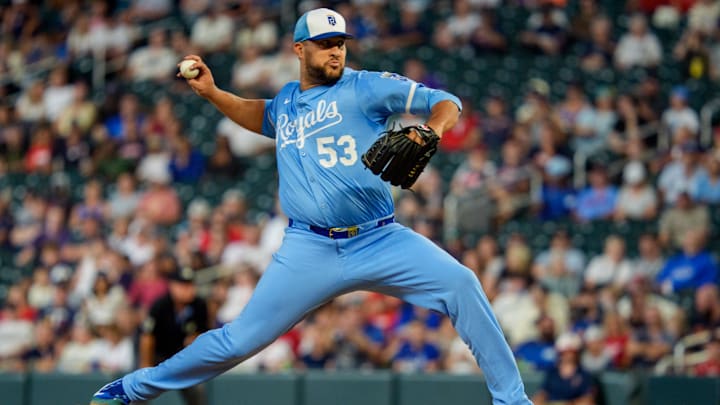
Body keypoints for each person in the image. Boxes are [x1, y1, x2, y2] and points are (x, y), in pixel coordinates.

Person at [89, 8, 531, 405]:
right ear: (300, 49)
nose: (335, 52)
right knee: (238, 341)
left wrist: (431, 130)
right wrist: (211, 93)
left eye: (339, 43)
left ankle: (513, 402)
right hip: (309, 248)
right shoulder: (286, 102)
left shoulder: (366, 87)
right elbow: (258, 114)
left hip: (378, 237)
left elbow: (447, 101)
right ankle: (130, 390)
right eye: (324, 45)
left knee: (462, 283)